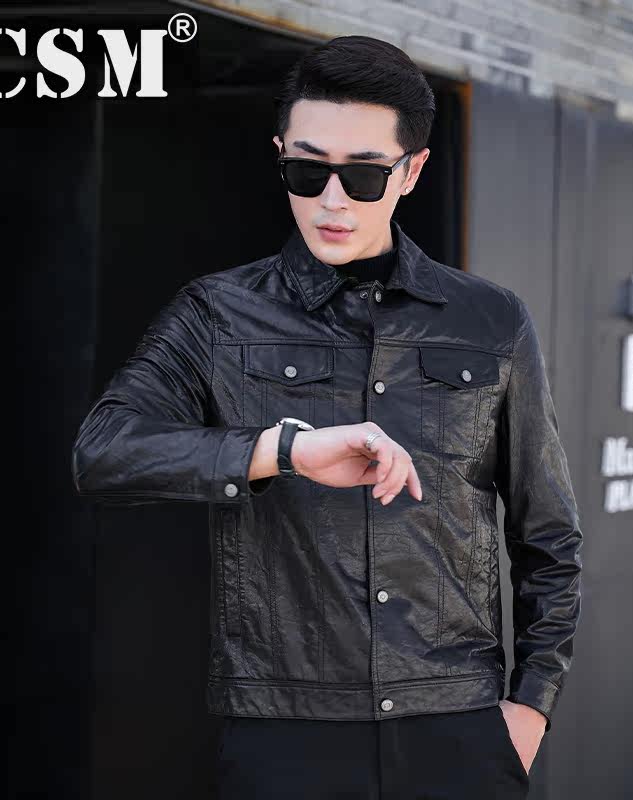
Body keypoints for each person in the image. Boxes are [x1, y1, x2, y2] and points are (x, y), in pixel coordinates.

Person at [71, 34, 583, 799]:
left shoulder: (490, 321)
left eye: (364, 174)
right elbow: (103, 452)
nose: (332, 200)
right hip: (285, 733)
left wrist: (530, 707)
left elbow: (548, 536)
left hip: (457, 731)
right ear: (281, 155)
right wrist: (280, 450)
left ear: (411, 171)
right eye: (308, 171)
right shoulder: (217, 314)